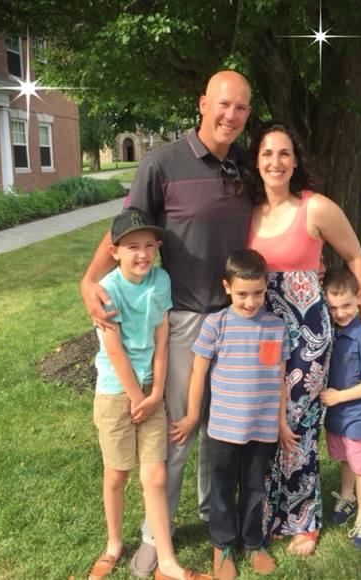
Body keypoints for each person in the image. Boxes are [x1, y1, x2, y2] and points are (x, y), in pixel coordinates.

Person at [80, 70, 252, 576]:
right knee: (179, 430)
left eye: (241, 107)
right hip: (184, 319)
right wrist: (89, 280)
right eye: (223, 104)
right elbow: (126, 227)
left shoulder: (247, 164)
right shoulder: (162, 164)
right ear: (203, 103)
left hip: (237, 319)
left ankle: (215, 520)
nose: (231, 115)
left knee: (222, 429)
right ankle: (157, 533)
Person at [245, 122, 361, 556]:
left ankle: (303, 518)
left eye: (284, 153)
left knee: (299, 423)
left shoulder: (314, 207)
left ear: (296, 159)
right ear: (256, 161)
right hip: (263, 333)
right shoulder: (248, 211)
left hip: (309, 337)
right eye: (267, 154)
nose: (276, 162)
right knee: (267, 420)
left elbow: (355, 256)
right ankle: (267, 514)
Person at [89, 207, 208, 580]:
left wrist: (156, 392)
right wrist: (136, 397)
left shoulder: (161, 281)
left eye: (148, 246)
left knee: (155, 477)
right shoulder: (107, 290)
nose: (142, 254)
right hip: (116, 393)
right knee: (117, 474)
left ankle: (167, 561)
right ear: (115, 252)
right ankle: (113, 544)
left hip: (150, 394)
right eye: (132, 247)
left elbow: (161, 337)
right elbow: (114, 351)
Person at [170, 249, 293, 580]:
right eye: (242, 294)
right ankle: (222, 545)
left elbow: (279, 379)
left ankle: (252, 543)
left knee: (254, 488)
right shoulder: (216, 324)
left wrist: (281, 423)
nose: (250, 302)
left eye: (257, 293)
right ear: (227, 287)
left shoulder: (276, 328)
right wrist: (192, 416)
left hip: (262, 429)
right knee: (222, 489)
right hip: (223, 428)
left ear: (267, 286)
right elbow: (198, 373)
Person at [319, 267, 361, 551]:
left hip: (359, 418)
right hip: (338, 418)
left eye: (346, 305)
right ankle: (347, 498)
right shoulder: (334, 332)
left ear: (359, 298)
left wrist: (339, 397)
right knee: (345, 459)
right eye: (333, 307)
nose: (340, 313)